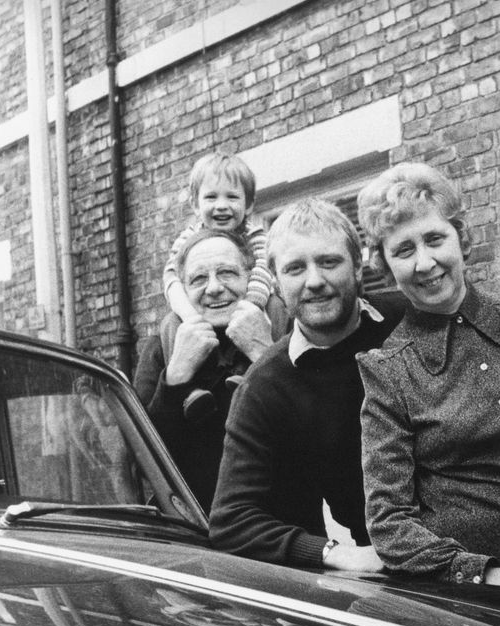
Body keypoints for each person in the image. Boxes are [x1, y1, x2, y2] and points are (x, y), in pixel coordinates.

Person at [355, 163, 500, 586]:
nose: (425, 262)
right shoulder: (390, 370)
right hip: (478, 595)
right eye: (403, 250)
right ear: (384, 266)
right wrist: (483, 574)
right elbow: (389, 523)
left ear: (463, 240)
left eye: (435, 239)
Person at [209, 198, 396, 571]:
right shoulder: (264, 385)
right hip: (385, 566)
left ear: (357, 266)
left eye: (329, 261)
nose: (315, 281)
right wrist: (335, 554)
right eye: (296, 268)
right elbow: (231, 520)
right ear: (276, 283)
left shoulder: (405, 323)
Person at [134, 228, 278, 508]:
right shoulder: (163, 345)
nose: (213, 288)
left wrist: (263, 353)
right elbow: (142, 463)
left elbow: (318, 448)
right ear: (184, 290)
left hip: (278, 532)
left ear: (250, 278)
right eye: (199, 278)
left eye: (227, 273)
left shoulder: (281, 330)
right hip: (193, 528)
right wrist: (175, 376)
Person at [162, 152, 281, 420]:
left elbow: (264, 272)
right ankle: (189, 389)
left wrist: (248, 307)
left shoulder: (257, 236)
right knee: (171, 323)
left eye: (232, 197)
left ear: (249, 205)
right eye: (211, 197)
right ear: (195, 205)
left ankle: (248, 374)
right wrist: (192, 318)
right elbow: (171, 278)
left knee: (273, 308)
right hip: (196, 318)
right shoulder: (188, 238)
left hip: (251, 303)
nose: (222, 206)